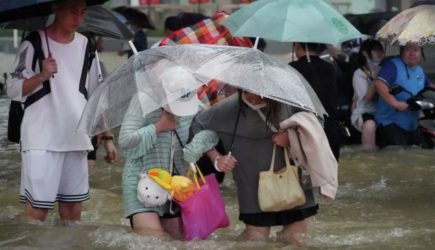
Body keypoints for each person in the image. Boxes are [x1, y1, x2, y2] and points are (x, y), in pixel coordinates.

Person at [7, 0, 118, 222]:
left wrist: (106, 136)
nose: (78, 18)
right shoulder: (33, 43)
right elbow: (12, 89)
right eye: (72, 11)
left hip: (75, 136)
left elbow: (96, 93)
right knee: (37, 213)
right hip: (41, 138)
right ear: (56, 9)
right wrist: (41, 76)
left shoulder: (87, 44)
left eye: (82, 12)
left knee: (72, 214)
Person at [183, 90, 319, 244]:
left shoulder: (289, 101)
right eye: (247, 93)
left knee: (296, 238)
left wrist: (290, 136)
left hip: (293, 178)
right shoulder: (230, 107)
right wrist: (216, 158)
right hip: (252, 182)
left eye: (259, 94)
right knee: (255, 240)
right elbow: (197, 125)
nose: (252, 98)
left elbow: (316, 122)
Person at [118, 66, 205, 239]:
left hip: (175, 185)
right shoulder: (143, 100)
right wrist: (158, 127)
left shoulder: (193, 102)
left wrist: (196, 147)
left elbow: (210, 130)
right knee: (154, 240)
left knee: (179, 240)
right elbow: (125, 142)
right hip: (142, 182)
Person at [374, 43, 434, 148]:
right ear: (401, 52)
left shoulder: (419, 70)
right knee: (399, 154)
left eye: (416, 50)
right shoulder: (392, 65)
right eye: (408, 50)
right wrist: (395, 103)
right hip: (389, 122)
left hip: (412, 124)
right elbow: (379, 83)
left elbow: (430, 88)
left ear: (421, 53)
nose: (412, 53)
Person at [289, 42, 341, 161]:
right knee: (330, 174)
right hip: (331, 128)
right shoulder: (331, 67)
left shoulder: (292, 68)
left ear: (297, 46)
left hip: (304, 128)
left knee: (304, 173)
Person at [351, 39, 384, 149]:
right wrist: (377, 81)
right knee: (370, 125)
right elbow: (367, 97)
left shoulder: (383, 69)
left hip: (383, 110)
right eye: (375, 50)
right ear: (365, 53)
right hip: (365, 111)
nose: (379, 53)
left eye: (380, 50)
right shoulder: (359, 74)